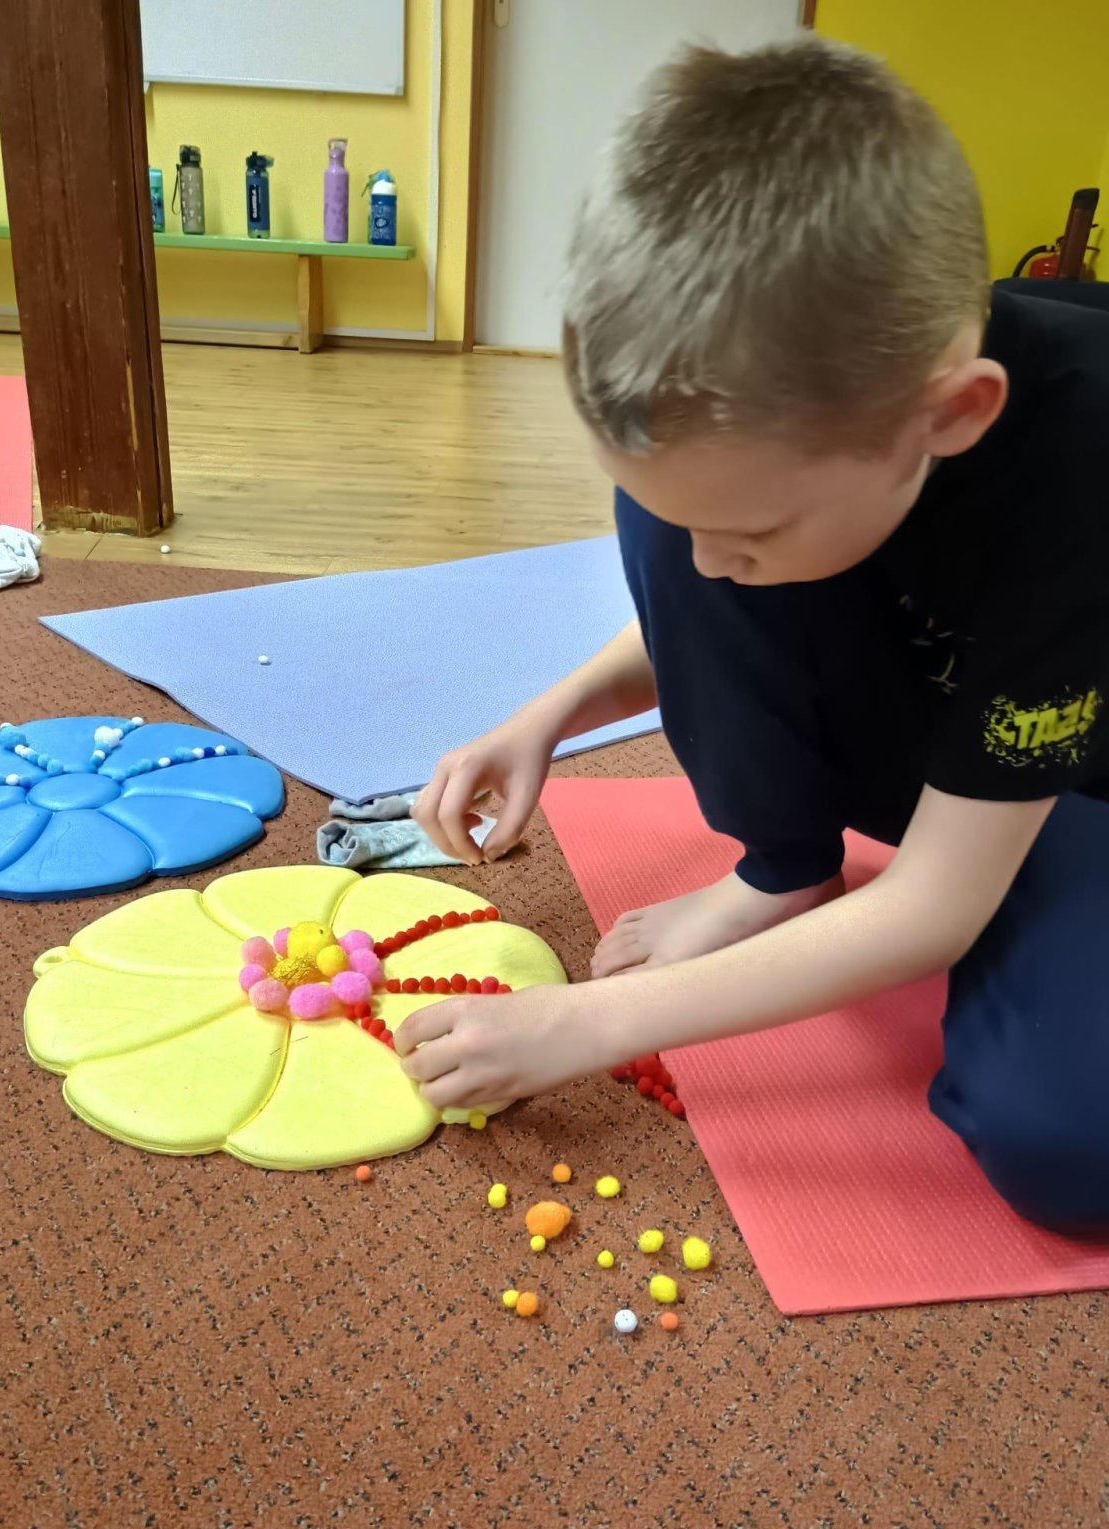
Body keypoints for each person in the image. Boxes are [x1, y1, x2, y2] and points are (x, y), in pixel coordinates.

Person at [401, 36, 1109, 1232]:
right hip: (975, 695)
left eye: (748, 532)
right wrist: (549, 715)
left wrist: (579, 1024)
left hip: (1082, 767)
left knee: (1067, 1140)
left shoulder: (1075, 481)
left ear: (953, 418)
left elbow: (938, 904)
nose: (705, 568)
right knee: (714, 515)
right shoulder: (839, 416)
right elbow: (742, 575)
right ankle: (786, 870)